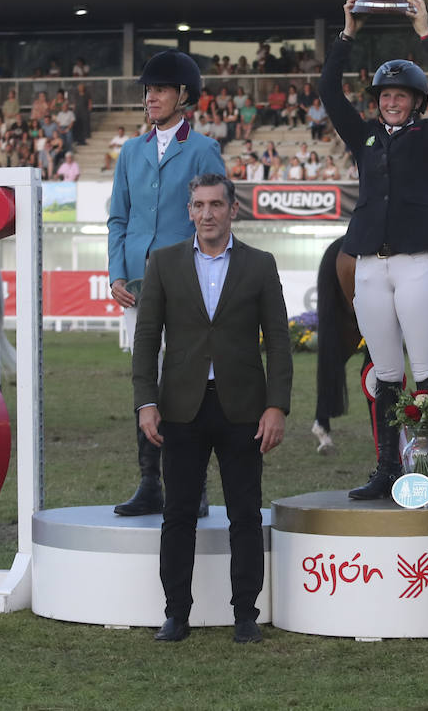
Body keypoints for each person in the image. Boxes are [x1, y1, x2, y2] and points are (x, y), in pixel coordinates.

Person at [134, 174, 290, 644]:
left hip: (243, 409)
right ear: (189, 211)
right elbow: (146, 339)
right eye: (199, 205)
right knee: (178, 514)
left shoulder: (260, 265)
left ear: (232, 210)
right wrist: (145, 402)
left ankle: (246, 614)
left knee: (245, 513)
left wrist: (277, 406)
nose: (207, 213)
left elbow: (279, 342)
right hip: (179, 409)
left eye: (216, 205)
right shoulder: (163, 263)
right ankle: (176, 614)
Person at [319, 0, 428, 500]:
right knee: (385, 373)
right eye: (385, 94)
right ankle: (386, 468)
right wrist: (346, 33)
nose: (392, 101)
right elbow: (328, 92)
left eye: (402, 95)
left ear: (417, 102)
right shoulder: (365, 138)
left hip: (417, 264)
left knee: (424, 369)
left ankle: (421, 465)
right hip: (368, 265)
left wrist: (425, 32)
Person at [108, 49, 225, 517]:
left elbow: (213, 216)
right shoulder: (131, 151)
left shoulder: (203, 149)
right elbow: (118, 217)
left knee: (182, 383)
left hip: (186, 279)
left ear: (183, 96)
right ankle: (149, 482)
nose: (150, 96)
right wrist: (116, 271)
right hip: (136, 282)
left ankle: (191, 486)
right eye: (148, 89)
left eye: (159, 89)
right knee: (147, 382)